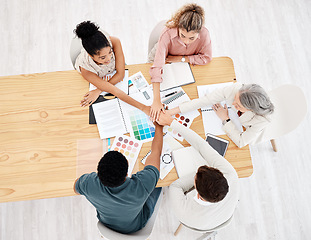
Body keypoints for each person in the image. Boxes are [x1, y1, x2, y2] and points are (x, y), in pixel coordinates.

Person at [74, 122, 163, 234]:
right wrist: (159, 127)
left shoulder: (89, 184)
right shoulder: (142, 185)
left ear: (99, 173)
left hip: (106, 224)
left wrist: (90, 184)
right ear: (127, 174)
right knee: (160, 185)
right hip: (136, 225)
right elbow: (156, 152)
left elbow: (76, 188)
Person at [156, 111, 239, 230]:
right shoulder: (231, 175)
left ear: (197, 193)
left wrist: (196, 174)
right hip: (222, 216)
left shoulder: (185, 212)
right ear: (220, 174)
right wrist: (171, 122)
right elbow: (202, 146)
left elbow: (175, 186)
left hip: (200, 222)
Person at [149, 3, 212, 121]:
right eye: (182, 35)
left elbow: (207, 58)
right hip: (163, 58)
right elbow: (157, 66)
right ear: (178, 27)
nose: (186, 41)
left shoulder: (204, 34)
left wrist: (182, 59)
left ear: (199, 32)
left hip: (183, 63)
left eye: (191, 38)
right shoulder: (167, 33)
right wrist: (156, 100)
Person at [167, 83, 275, 148]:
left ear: (251, 110)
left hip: (248, 130)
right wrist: (173, 111)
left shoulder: (262, 119)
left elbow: (241, 142)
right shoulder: (238, 89)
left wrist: (225, 119)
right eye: (235, 99)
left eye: (238, 106)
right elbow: (205, 100)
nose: (232, 104)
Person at [74, 21, 149, 114]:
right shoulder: (86, 68)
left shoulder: (114, 42)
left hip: (112, 73)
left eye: (110, 52)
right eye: (102, 57)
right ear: (90, 55)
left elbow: (120, 74)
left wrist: (98, 90)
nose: (109, 58)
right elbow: (115, 91)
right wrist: (144, 108)